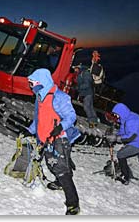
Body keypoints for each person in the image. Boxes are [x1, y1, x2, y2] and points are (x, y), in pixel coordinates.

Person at [26, 68, 80, 215]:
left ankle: (73, 204)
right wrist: (30, 130)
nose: (31, 87)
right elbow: (39, 118)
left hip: (58, 138)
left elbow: (71, 116)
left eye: (32, 83)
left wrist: (61, 127)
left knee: (61, 170)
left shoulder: (59, 97)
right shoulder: (40, 96)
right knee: (52, 164)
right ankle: (59, 182)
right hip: (45, 138)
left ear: (41, 82)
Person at [106, 103, 139, 189]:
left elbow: (131, 137)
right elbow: (123, 131)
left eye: (116, 114)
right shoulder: (125, 119)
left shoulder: (132, 120)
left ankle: (126, 177)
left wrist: (117, 138)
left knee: (121, 154)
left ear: (121, 112)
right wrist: (114, 134)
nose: (115, 116)